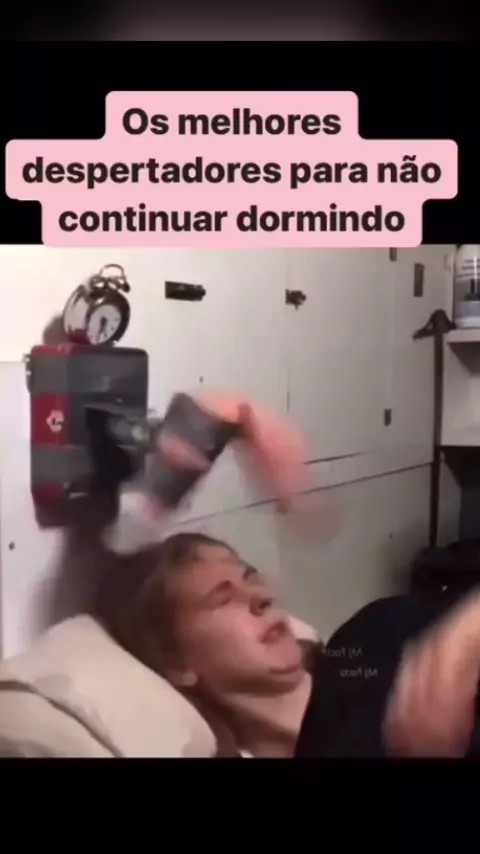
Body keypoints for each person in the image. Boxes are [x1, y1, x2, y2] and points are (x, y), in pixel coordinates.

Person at [94, 531, 480, 758]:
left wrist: (468, 631)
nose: (260, 597)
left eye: (251, 579)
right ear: (177, 662)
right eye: (223, 599)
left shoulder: (373, 635)